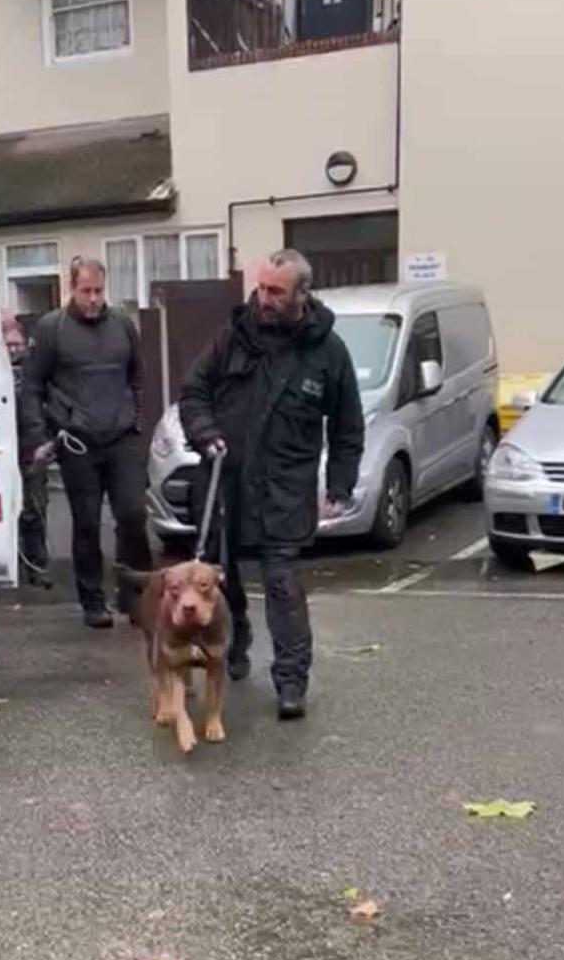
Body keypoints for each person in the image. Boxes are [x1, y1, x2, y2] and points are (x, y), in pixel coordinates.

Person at [179, 249, 364, 719]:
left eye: (275, 291)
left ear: (302, 293)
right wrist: (206, 434)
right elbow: (193, 392)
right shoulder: (232, 338)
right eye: (261, 287)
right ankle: (234, 644)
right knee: (225, 581)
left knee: (282, 586)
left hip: (285, 489)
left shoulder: (328, 352)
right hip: (227, 482)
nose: (263, 298)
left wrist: (340, 486)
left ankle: (290, 681)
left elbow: (348, 427)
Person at [19, 257, 152, 628]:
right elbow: (31, 387)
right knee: (87, 523)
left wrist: (137, 418)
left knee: (133, 515)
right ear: (71, 289)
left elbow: (138, 377)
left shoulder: (123, 326)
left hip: (121, 436)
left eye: (98, 291)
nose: (93, 299)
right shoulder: (51, 329)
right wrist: (39, 438)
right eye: (85, 291)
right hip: (76, 441)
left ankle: (136, 595)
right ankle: (93, 600)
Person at [2, 310, 52, 588]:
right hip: (2, 452)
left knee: (35, 510)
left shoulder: (35, 373)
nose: (12, 350)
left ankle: (37, 565)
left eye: (16, 344)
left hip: (31, 450)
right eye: (8, 345)